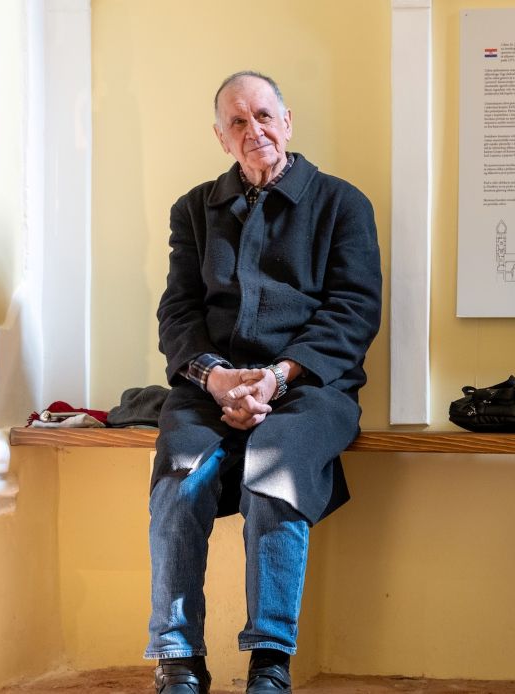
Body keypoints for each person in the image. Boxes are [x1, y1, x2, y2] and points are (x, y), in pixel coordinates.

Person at [146, 71, 382, 694]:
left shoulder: (341, 203)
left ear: (288, 121)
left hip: (311, 384)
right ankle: (178, 659)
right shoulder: (194, 209)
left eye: (264, 116)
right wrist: (216, 377)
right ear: (221, 137)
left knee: (275, 473)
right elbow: (178, 311)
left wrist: (277, 376)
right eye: (238, 122)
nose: (254, 130)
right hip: (211, 384)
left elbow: (354, 311)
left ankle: (270, 662)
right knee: (179, 476)